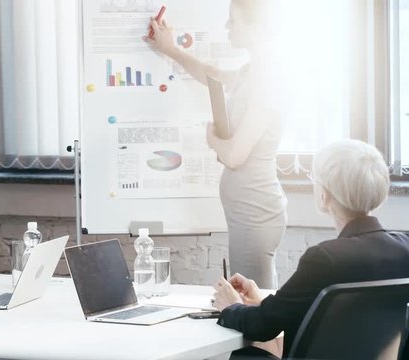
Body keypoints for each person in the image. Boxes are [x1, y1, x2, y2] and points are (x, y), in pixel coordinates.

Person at [212, 139, 409, 358]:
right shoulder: (404, 249)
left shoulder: (325, 259)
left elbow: (263, 327)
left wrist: (231, 307)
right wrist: (262, 303)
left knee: (244, 355)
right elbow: (341, 323)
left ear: (325, 194)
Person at [144, 0, 287, 289]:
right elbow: (212, 76)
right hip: (250, 210)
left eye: (233, 20)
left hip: (255, 212)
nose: (227, 26)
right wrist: (171, 49)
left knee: (252, 305)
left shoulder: (270, 77)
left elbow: (234, 155)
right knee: (253, 299)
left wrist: (211, 139)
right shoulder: (256, 71)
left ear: (256, 26)